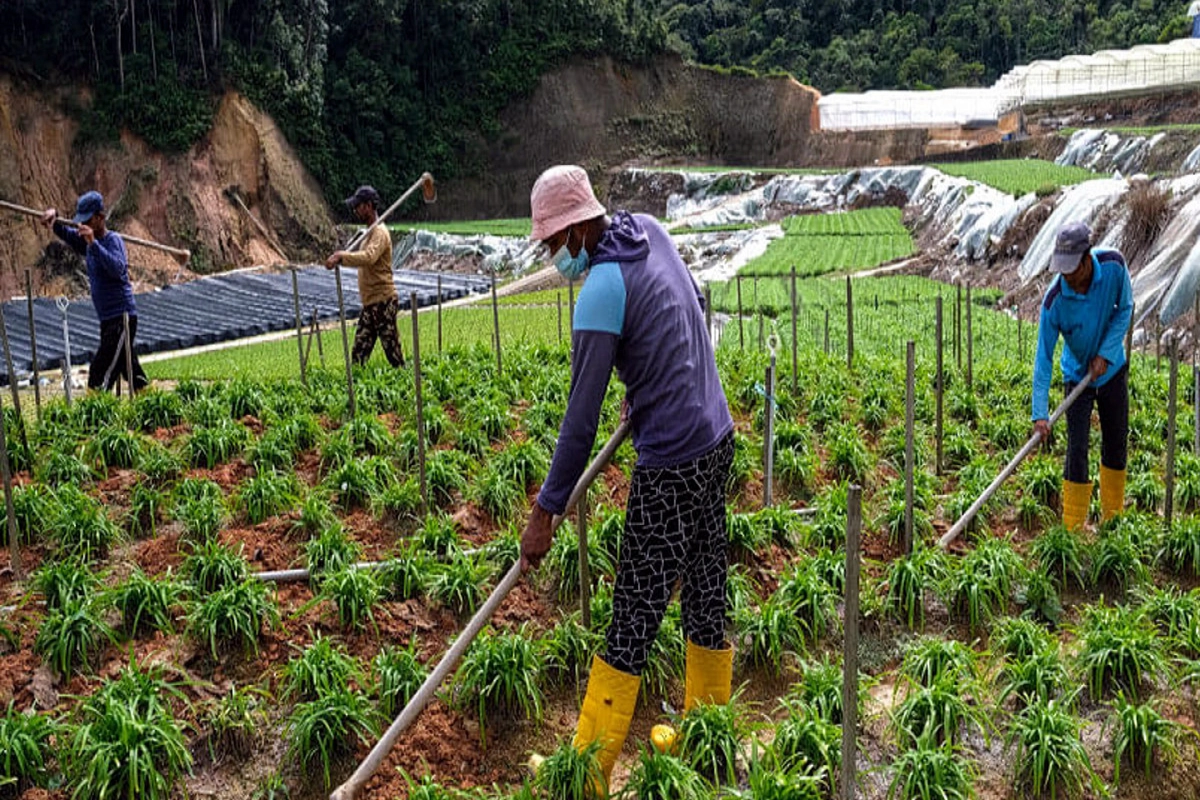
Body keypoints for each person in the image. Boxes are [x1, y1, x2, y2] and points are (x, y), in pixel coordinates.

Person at [519, 165, 735, 792]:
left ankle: (586, 775)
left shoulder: (601, 289)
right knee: (703, 585)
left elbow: (579, 420)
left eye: (554, 243)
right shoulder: (650, 231)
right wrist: (653, 381)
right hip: (715, 437)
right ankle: (707, 735)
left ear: (580, 226)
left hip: (671, 462)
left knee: (634, 610)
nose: (554, 255)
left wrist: (546, 510)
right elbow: (691, 307)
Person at [1031, 221, 1132, 530]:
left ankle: (1112, 520)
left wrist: (1105, 353)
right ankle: (1073, 528)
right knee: (1077, 449)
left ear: (1088, 259)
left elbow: (1125, 308)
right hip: (1077, 375)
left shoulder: (1114, 266)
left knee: (1116, 440)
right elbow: (1043, 358)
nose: (1069, 280)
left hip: (1112, 370)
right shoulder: (1054, 302)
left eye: (1074, 272)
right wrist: (1039, 413)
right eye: (1064, 273)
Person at [41, 191, 148, 393]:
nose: (85, 225)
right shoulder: (88, 243)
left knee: (100, 371)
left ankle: (95, 417)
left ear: (100, 217)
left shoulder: (112, 240)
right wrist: (53, 220)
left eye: (88, 220)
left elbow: (118, 268)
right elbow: (69, 236)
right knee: (130, 368)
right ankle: (155, 414)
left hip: (121, 317)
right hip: (108, 319)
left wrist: (93, 244)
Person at [325, 185, 405, 368]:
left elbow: (369, 257)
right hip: (370, 304)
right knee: (359, 354)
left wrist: (341, 257)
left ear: (369, 206)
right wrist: (340, 258)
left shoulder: (379, 233)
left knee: (393, 352)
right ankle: (357, 389)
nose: (355, 210)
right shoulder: (368, 233)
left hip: (383, 301)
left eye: (358, 206)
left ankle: (409, 385)